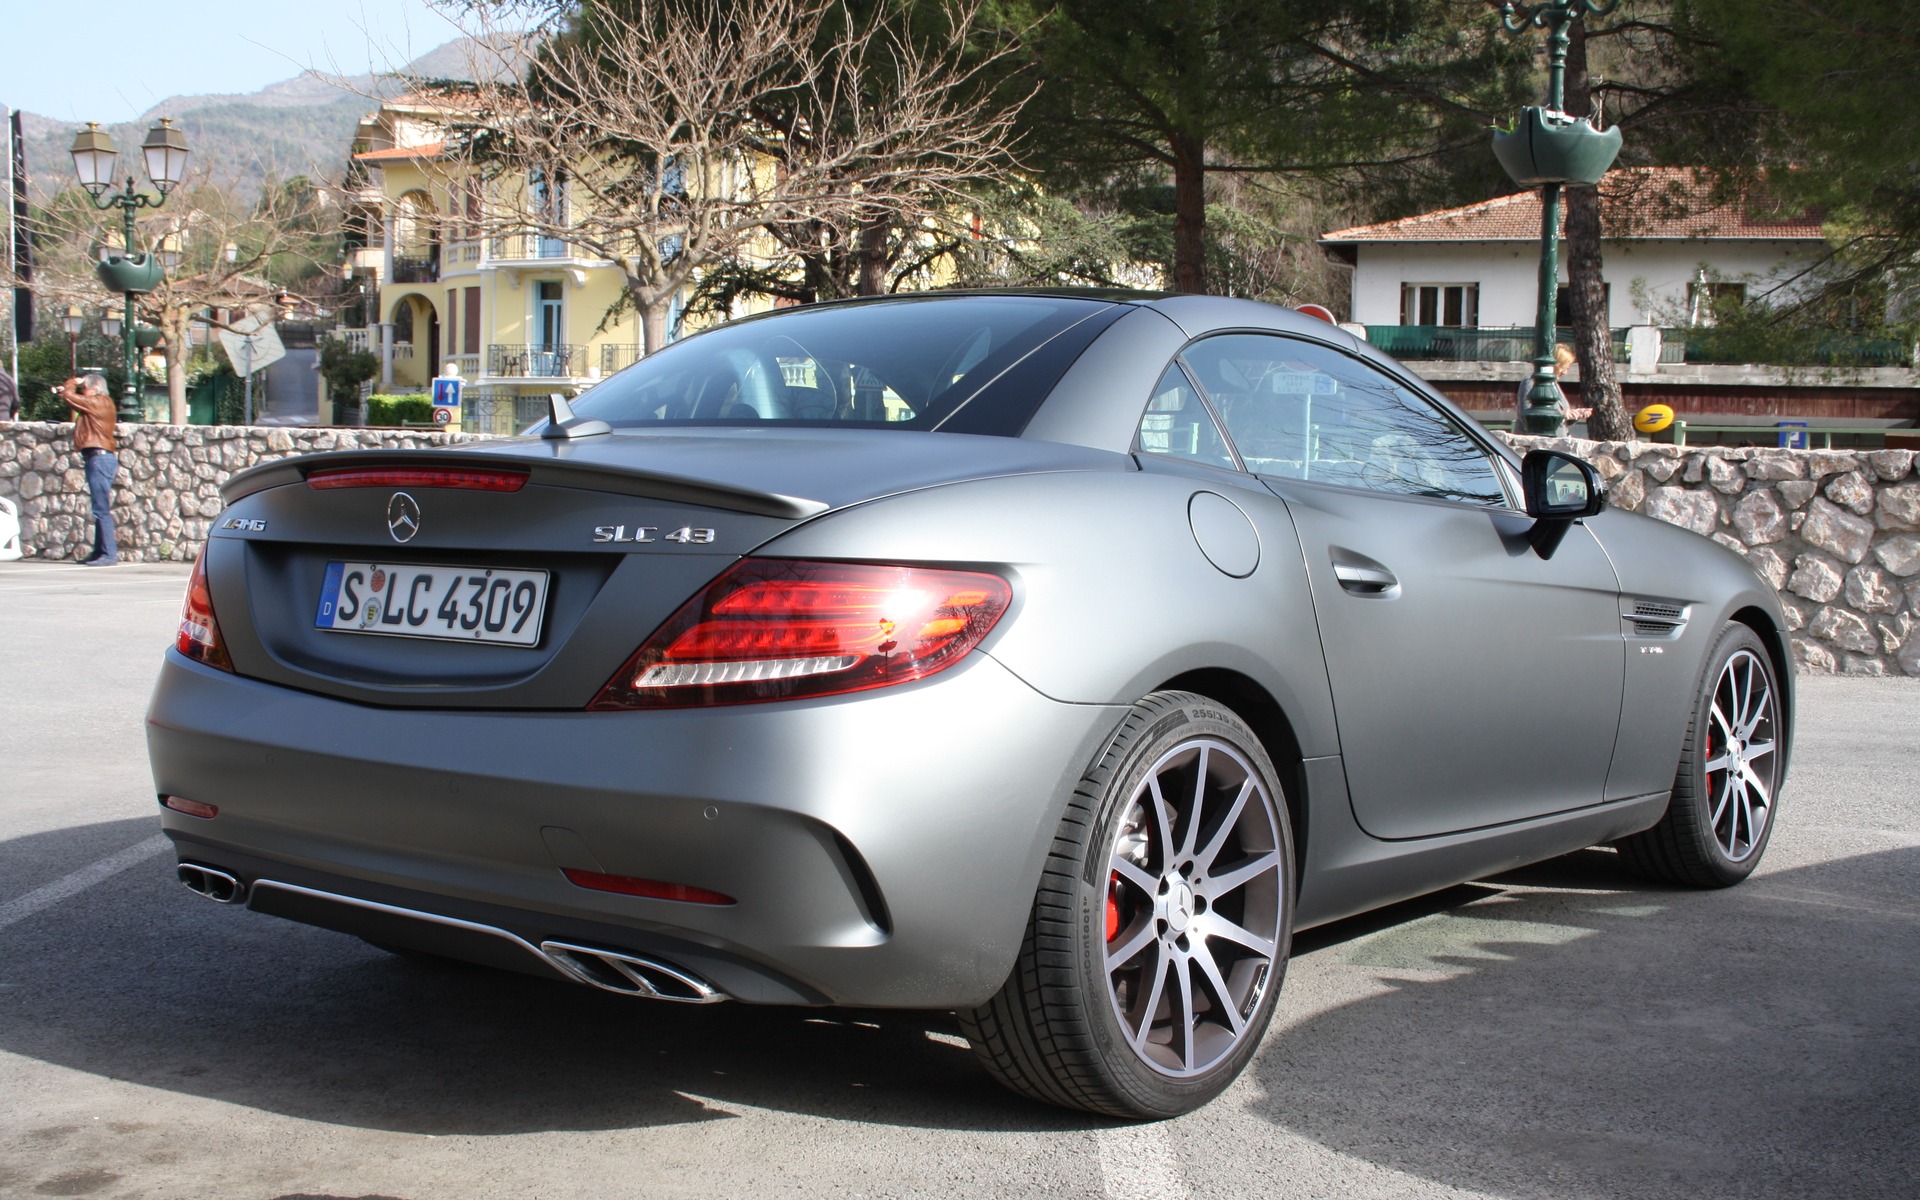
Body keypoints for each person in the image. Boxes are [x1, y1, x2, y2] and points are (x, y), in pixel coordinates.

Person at [56, 374, 120, 565]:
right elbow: (73, 400)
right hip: (98, 458)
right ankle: (100, 551)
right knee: (99, 507)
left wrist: (71, 383)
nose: (83, 390)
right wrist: (70, 391)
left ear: (94, 389)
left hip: (99, 458)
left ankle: (109, 554)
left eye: (85, 388)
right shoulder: (100, 403)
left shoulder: (99, 402)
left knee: (101, 509)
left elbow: (71, 398)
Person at [1513, 343, 1593, 431]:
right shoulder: (1531, 381)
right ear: (1555, 364)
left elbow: (1562, 419)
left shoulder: (1555, 384)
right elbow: (1526, 413)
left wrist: (1576, 414)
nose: (1565, 372)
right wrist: (1561, 414)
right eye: (1564, 367)